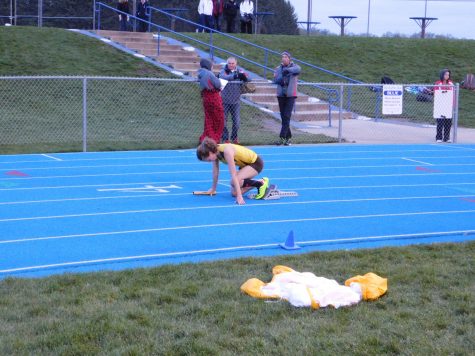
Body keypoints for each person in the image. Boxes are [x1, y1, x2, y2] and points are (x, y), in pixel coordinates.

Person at [196, 137, 270, 205]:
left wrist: (240, 197)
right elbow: (215, 173)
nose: (208, 161)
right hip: (245, 166)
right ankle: (261, 181)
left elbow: (233, 174)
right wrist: (213, 189)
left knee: (234, 182)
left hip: (255, 163)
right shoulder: (215, 153)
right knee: (234, 193)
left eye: (208, 159)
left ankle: (260, 184)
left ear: (210, 152)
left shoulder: (227, 151)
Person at [218, 57, 250, 144]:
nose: (231, 65)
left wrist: (244, 77)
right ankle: (225, 138)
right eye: (229, 63)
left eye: (233, 63)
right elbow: (222, 77)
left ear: (236, 63)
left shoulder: (240, 70)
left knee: (237, 122)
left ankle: (234, 137)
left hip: (236, 101)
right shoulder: (223, 70)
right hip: (224, 101)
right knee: (223, 122)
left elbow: (248, 77)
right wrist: (235, 76)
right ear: (227, 64)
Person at [273, 51, 301, 146]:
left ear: (289, 59)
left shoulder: (295, 67)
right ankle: (288, 138)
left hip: (290, 95)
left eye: (285, 57)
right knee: (283, 117)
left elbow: (298, 69)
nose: (283, 58)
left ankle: (282, 138)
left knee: (287, 116)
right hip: (281, 95)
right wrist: (281, 79)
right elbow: (275, 80)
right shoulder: (278, 68)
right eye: (282, 57)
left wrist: (287, 71)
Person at [198, 58, 225, 144]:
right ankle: (214, 139)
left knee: (209, 119)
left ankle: (206, 138)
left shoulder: (200, 73)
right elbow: (218, 84)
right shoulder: (209, 73)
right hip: (213, 98)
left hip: (206, 98)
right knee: (219, 119)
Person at [434, 68, 454, 143]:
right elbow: (436, 93)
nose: (447, 76)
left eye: (448, 75)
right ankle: (438, 137)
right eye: (446, 74)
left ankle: (446, 137)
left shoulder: (451, 83)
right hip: (440, 105)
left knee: (448, 122)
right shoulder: (438, 83)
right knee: (440, 122)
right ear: (442, 75)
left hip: (448, 105)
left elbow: (453, 94)